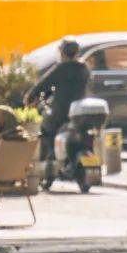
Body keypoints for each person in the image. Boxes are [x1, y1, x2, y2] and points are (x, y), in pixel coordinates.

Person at [24, 37, 89, 165]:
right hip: (79, 112)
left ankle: (50, 160)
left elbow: (43, 84)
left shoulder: (61, 69)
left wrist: (29, 97)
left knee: (46, 128)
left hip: (62, 111)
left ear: (62, 53)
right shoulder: (84, 68)